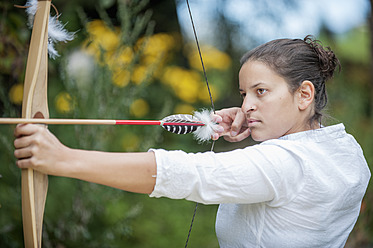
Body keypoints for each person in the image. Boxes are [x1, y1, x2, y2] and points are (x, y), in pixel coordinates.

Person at [14, 36, 370, 247]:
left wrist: (61, 159)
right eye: (244, 93)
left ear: (304, 94)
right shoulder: (346, 151)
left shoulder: (282, 164)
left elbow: (188, 173)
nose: (246, 105)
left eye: (261, 92)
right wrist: (255, 130)